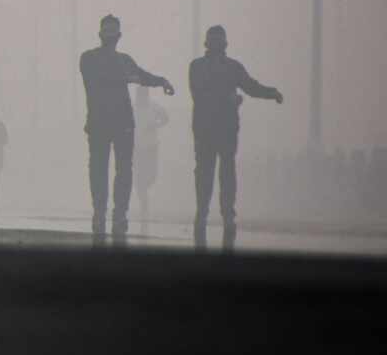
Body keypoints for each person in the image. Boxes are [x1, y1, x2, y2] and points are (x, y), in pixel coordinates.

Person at [79, 14, 174, 242]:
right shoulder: (89, 58)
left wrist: (161, 81)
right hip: (101, 123)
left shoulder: (124, 61)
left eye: (113, 31)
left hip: (121, 123)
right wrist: (129, 76)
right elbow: (101, 78)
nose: (111, 35)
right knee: (100, 170)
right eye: (108, 31)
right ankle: (100, 212)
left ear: (118, 36)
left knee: (123, 170)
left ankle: (119, 213)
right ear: (101, 34)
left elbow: (142, 76)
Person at [189, 24, 282, 249]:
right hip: (217, 128)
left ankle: (207, 213)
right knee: (220, 172)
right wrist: (234, 99)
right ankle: (219, 214)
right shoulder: (223, 67)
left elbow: (247, 88)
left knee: (211, 172)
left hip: (213, 128)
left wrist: (269, 93)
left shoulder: (200, 66)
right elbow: (203, 94)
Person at [132, 85, 170, 225]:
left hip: (151, 147)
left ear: (146, 95)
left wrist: (156, 125)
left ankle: (143, 189)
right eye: (139, 94)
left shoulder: (153, 106)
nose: (140, 96)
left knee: (152, 175)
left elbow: (166, 118)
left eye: (143, 93)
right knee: (138, 177)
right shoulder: (131, 107)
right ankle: (144, 202)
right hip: (136, 148)